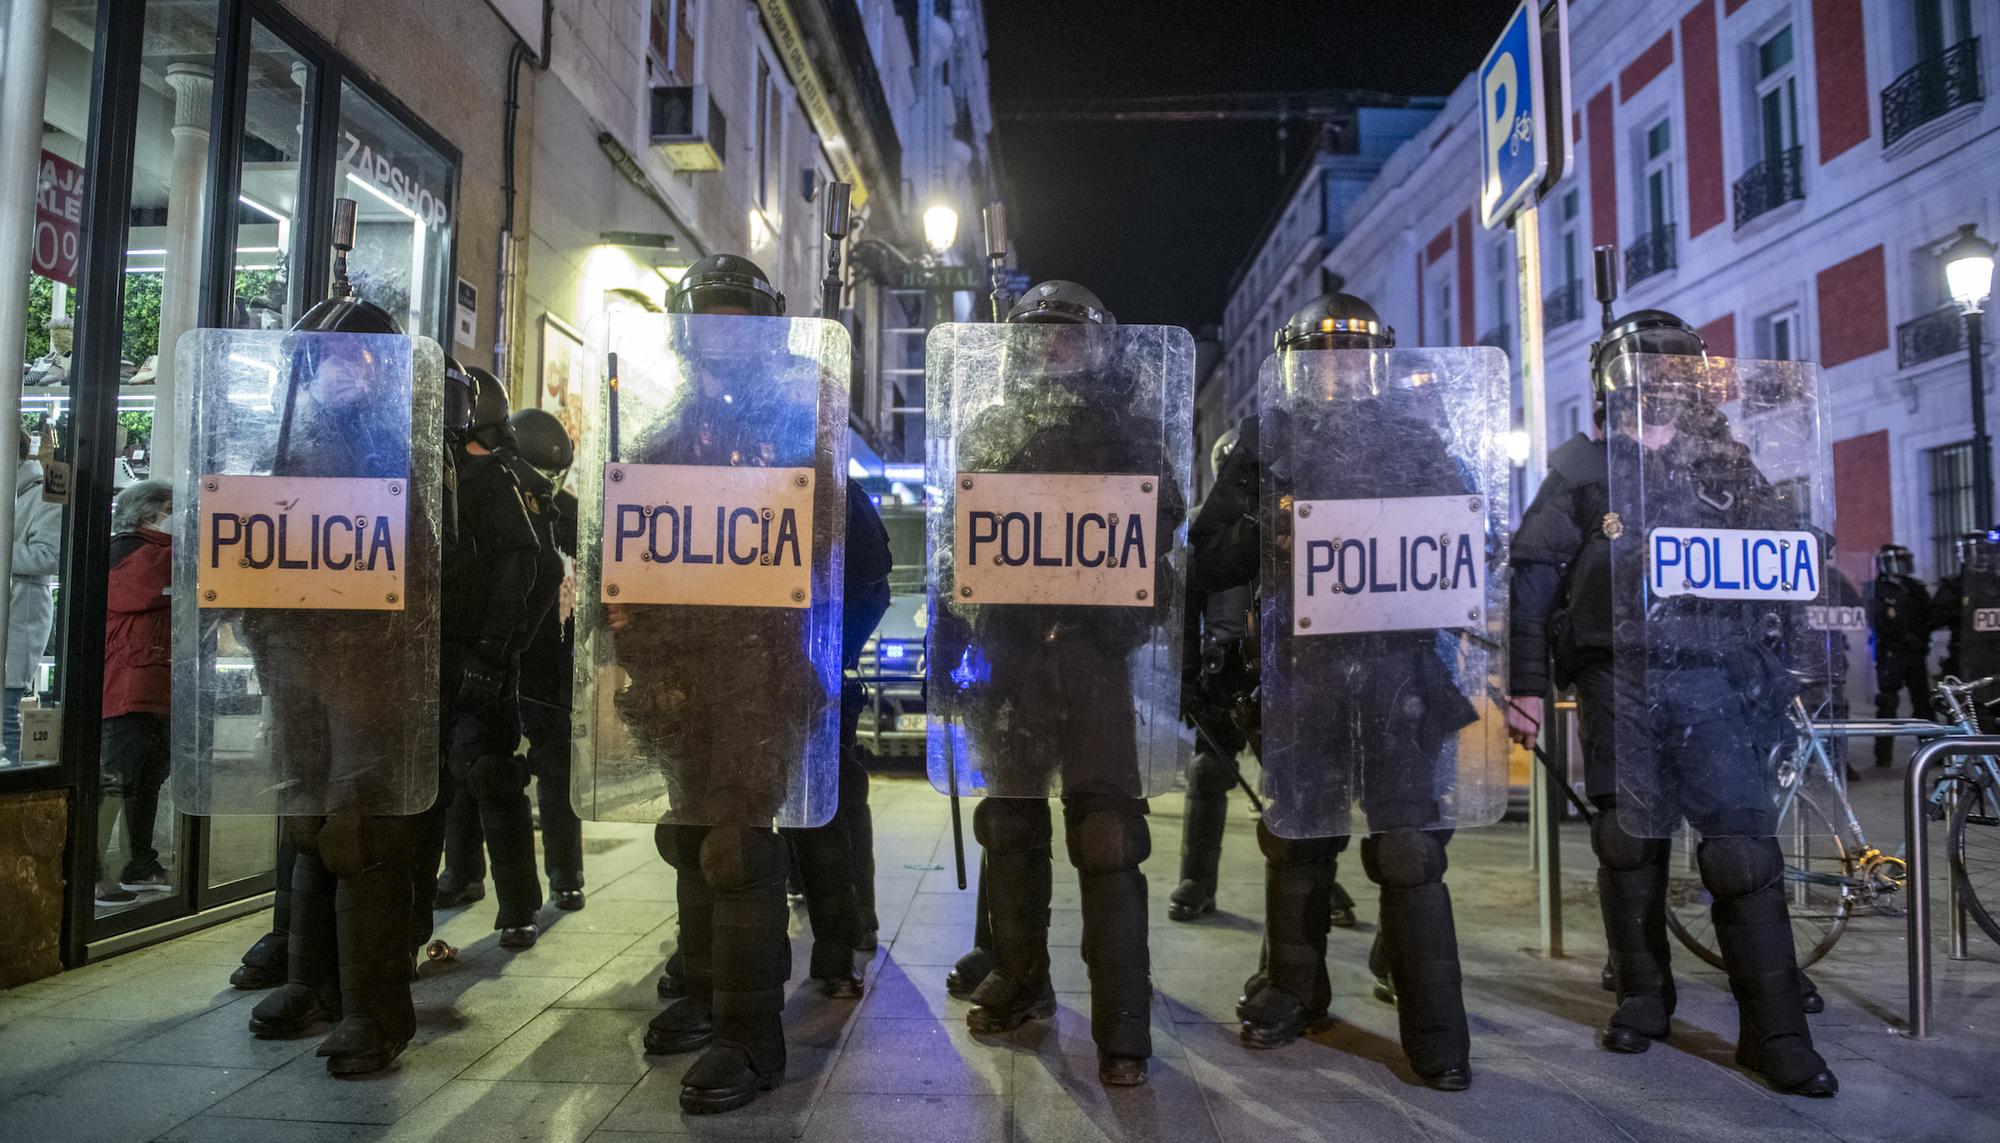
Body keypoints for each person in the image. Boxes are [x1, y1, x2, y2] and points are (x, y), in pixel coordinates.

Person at [1506, 309, 1838, 1097]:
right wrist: (1527, 684)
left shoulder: (1726, 464)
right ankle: (1645, 996)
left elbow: (1785, 563)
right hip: (1616, 673)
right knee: (1630, 840)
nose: (1654, 384)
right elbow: (1534, 576)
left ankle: (1775, 1028)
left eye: (1669, 371)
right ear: (1611, 384)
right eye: (1640, 370)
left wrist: (1789, 669)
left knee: (1740, 849)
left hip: (1713, 672)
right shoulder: (1584, 469)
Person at [1193, 294, 1480, 1089]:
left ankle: (1435, 1030)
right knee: (1298, 838)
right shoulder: (1267, 441)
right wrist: (1264, 530)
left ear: (1376, 363)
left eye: (1354, 356)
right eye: (1324, 358)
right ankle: (1293, 993)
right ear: (1299, 369)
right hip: (1303, 673)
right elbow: (1207, 553)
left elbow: (1465, 542)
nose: (1341, 368)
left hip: (1398, 675)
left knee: (1409, 849)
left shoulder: (1415, 439)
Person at [928, 281, 1187, 1087]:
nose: (1050, 347)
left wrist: (1122, 613)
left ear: (1097, 347)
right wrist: (946, 639)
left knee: (1108, 835)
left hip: (1092, 658)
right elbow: (957, 537)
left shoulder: (1131, 430)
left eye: (1066, 336)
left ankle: (1122, 1023)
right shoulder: (993, 427)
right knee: (1008, 823)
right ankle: (1020, 972)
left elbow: (1159, 533)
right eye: (1036, 336)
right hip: (1010, 656)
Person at [624, 253, 865, 1113]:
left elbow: (846, 550)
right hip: (679, 679)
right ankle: (702, 988)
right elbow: (633, 556)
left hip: (761, 676)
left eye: (739, 318)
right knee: (691, 836)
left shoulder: (798, 431)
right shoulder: (665, 437)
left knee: (736, 843)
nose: (723, 333)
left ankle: (749, 1035)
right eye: (709, 317)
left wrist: (811, 455)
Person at [241, 285, 442, 1076]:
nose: (339, 371)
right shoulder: (287, 445)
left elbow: (425, 566)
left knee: (361, 829)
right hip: (295, 661)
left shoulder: (403, 451)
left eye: (357, 357)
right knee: (307, 817)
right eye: (324, 359)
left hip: (371, 665)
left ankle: (374, 1009)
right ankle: (310, 982)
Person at [1171, 429, 1358, 929]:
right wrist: (1185, 676)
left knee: (1295, 781)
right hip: (1224, 666)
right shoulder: (1202, 530)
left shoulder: (1299, 518)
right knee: (1209, 773)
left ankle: (1318, 880)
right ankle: (1196, 880)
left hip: (1283, 662)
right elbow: (1185, 612)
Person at [429, 368, 544, 947]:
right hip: (427, 651)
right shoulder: (428, 473)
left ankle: (520, 903)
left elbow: (526, 567)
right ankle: (459, 874)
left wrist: (498, 652)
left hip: (477, 650)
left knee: (490, 773)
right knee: (437, 773)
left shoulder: (495, 479)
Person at [505, 408, 585, 911]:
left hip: (552, 659)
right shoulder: (496, 499)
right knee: (483, 769)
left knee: (556, 768)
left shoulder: (572, 512)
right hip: (514, 651)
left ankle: (566, 873)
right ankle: (465, 871)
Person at [95, 479, 174, 905]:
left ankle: (139, 864)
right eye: (169, 507)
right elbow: (145, 589)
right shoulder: (129, 552)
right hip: (128, 686)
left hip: (153, 685)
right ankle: (91, 873)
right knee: (117, 782)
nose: (175, 515)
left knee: (146, 782)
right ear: (147, 511)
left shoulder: (154, 552)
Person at [6, 427, 61, 762]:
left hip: (17, 617)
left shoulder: (43, 495)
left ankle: (17, 805)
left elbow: (48, 557)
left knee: (5, 721)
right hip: (14, 614)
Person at [1867, 543, 1933, 767]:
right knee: (1887, 705)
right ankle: (1883, 756)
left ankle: (1932, 751)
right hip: (1891, 654)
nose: (1902, 566)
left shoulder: (1915, 587)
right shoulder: (1876, 589)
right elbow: (1876, 620)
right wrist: (1901, 637)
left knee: (1923, 704)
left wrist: (1920, 637)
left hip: (1915, 654)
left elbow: (1929, 615)